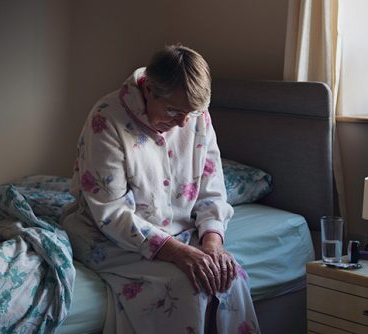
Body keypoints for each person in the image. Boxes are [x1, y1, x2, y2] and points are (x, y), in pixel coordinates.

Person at [61, 44, 260, 334]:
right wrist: (176, 252)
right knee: (185, 289)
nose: (182, 122)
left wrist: (212, 245)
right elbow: (111, 212)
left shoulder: (195, 116)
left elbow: (211, 189)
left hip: (179, 232)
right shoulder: (107, 119)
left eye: (190, 114)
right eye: (174, 111)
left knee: (230, 278)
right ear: (150, 90)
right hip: (108, 235)